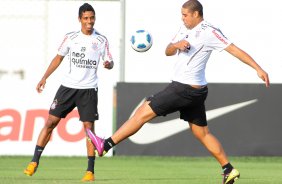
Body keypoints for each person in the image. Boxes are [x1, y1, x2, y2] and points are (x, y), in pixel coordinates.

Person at [87, 0, 270, 183]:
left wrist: (258, 68)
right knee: (202, 134)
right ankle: (228, 169)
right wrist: (177, 45)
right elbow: (168, 51)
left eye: (185, 15)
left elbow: (234, 49)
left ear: (196, 14)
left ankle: (106, 144)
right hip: (195, 92)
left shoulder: (209, 31)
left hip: (183, 88)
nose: (182, 18)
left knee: (142, 112)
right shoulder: (184, 30)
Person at [23, 3, 114, 182]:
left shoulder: (101, 40)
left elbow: (110, 61)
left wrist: (108, 65)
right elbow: (58, 58)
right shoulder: (71, 38)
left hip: (88, 90)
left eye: (92, 18)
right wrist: (44, 77)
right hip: (67, 88)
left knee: (89, 131)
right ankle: (34, 161)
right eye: (86, 18)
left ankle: (90, 172)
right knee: (50, 122)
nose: (89, 22)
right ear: (79, 19)